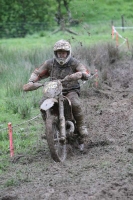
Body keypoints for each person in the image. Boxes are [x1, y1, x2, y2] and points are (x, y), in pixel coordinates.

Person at [23, 39, 90, 151]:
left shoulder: (74, 62)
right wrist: (31, 82)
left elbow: (85, 72)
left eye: (63, 52)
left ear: (68, 53)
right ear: (55, 53)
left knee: (75, 103)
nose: (61, 54)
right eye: (59, 52)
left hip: (70, 90)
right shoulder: (49, 63)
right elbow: (37, 72)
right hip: (53, 91)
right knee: (42, 104)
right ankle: (50, 129)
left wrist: (81, 74)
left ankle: (81, 126)